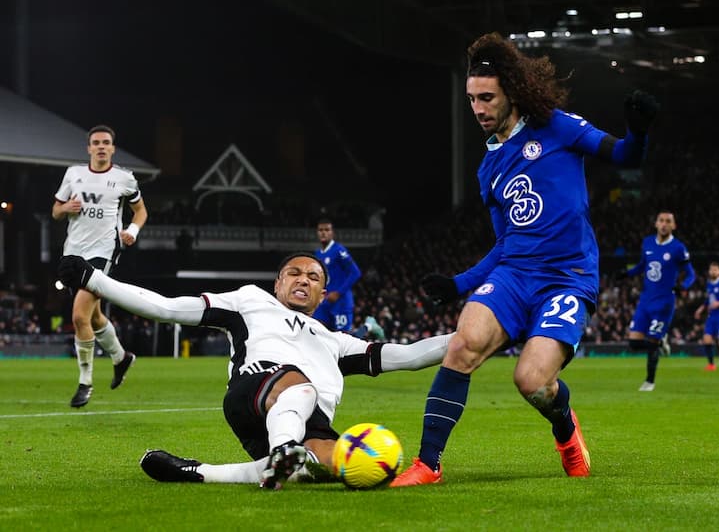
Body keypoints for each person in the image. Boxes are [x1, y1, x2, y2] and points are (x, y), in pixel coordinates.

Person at [390, 32, 658, 487]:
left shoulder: (557, 127)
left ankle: (565, 429)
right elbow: (506, 245)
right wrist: (459, 284)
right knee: (462, 345)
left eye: (487, 97)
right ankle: (427, 464)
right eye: (472, 98)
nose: (477, 108)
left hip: (568, 278)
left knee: (532, 381)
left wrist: (640, 130)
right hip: (516, 276)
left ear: (511, 91)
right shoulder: (488, 169)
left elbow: (624, 155)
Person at [56, 252, 451, 489]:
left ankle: (201, 472)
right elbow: (167, 307)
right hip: (256, 390)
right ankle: (284, 451)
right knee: (301, 387)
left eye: (314, 278)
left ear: (321, 294)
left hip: (307, 424)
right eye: (295, 273)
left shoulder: (334, 340)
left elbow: (410, 355)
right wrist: (96, 280)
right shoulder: (250, 301)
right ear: (278, 283)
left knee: (340, 468)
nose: (304, 280)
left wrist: (476, 334)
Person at [52, 124, 146, 408]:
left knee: (79, 316)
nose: (101, 146)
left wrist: (132, 230)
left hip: (103, 251)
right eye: (96, 142)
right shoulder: (74, 174)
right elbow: (55, 210)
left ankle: (85, 382)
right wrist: (65, 209)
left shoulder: (124, 179)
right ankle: (121, 357)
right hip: (73, 252)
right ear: (89, 148)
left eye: (106, 142)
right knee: (93, 317)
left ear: (113, 148)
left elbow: (140, 210)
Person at [620, 211, 695, 392]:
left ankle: (649, 381)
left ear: (673, 226)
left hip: (664, 302)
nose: (664, 224)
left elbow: (691, 274)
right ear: (656, 224)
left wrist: (683, 286)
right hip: (645, 300)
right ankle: (662, 343)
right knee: (633, 343)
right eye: (661, 221)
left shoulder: (678, 248)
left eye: (668, 221)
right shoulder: (647, 242)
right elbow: (641, 266)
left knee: (651, 342)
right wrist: (626, 273)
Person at [312, 218, 362, 332]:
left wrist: (338, 293)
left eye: (327, 230)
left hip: (341, 302)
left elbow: (356, 273)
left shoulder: (339, 250)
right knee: (316, 332)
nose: (323, 232)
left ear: (332, 233)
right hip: (324, 302)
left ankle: (367, 327)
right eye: (320, 230)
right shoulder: (318, 253)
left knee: (344, 341)